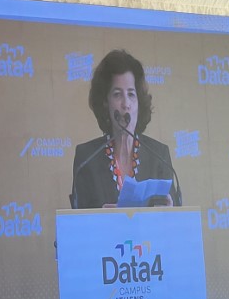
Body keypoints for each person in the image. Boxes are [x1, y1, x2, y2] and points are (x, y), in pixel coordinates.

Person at [70, 50, 176, 209]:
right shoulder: (86, 158)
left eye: (131, 94)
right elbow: (78, 217)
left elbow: (175, 213)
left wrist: (170, 211)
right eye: (117, 94)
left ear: (139, 102)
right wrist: (100, 217)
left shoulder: (159, 156)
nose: (126, 104)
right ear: (106, 102)